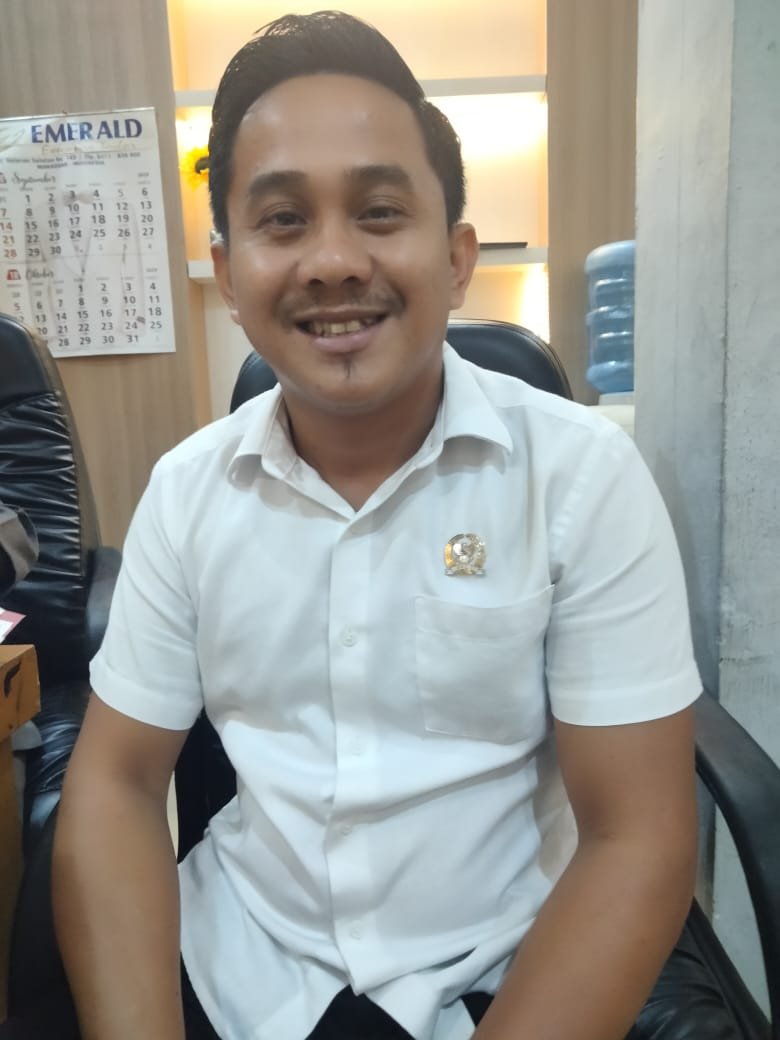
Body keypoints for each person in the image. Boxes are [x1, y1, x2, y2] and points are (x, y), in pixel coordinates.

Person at [52, 11, 701, 1040]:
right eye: (282, 220)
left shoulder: (581, 477)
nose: (332, 260)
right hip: (240, 959)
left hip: (506, 966)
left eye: (380, 211)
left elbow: (639, 835)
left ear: (455, 257)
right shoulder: (186, 493)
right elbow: (116, 782)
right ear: (230, 273)